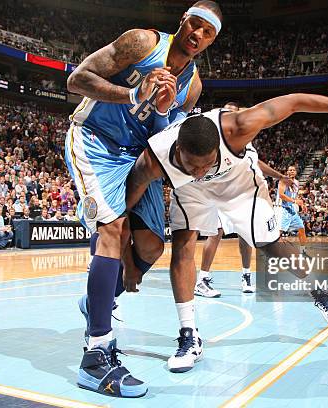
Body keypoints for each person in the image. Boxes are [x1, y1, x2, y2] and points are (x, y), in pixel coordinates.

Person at [126, 92, 328, 373]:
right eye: (193, 166)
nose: (200, 171)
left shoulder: (237, 127)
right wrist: (126, 257)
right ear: (177, 151)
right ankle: (189, 335)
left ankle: (318, 291)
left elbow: (295, 101)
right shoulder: (153, 159)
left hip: (239, 186)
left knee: (269, 244)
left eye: (206, 164)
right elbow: (123, 209)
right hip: (191, 193)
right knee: (183, 247)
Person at [66, 0, 222, 397]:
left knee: (151, 246)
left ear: (211, 42)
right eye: (196, 24)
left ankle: (97, 299)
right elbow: (77, 80)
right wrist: (133, 93)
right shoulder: (142, 42)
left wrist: (166, 111)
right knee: (113, 229)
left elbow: (164, 135)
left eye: (208, 33)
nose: (198, 35)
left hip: (137, 156)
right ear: (183, 20)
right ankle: (96, 357)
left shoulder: (194, 85)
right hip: (96, 141)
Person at [194, 102, 293, 297]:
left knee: (246, 235)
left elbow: (257, 162)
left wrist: (279, 176)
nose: (230, 116)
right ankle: (202, 279)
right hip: (222, 192)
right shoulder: (215, 138)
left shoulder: (245, 139)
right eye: (227, 113)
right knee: (216, 232)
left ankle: (246, 275)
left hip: (243, 195)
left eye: (234, 113)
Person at [276, 165, 307, 244]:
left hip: (291, 209)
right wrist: (295, 201)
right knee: (278, 233)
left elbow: (295, 196)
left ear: (296, 172)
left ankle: (303, 251)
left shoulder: (296, 182)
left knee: (301, 228)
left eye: (293, 170)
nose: (292, 171)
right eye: (290, 170)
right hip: (282, 208)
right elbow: (281, 195)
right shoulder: (283, 181)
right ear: (287, 172)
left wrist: (302, 204)